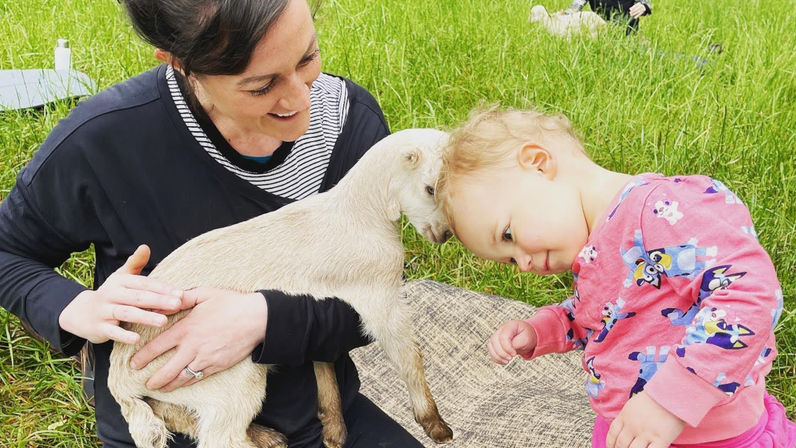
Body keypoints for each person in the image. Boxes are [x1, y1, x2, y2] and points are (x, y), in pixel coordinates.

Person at [0, 0, 425, 446]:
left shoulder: (352, 125)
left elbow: (377, 300)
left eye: (307, 57)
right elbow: (9, 251)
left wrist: (264, 320)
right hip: (173, 429)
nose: (302, 99)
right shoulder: (104, 140)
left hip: (317, 425)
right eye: (261, 86)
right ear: (181, 65)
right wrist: (72, 307)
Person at [436, 107, 796, 448]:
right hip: (629, 429)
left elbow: (748, 293)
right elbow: (608, 316)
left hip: (712, 435)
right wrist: (541, 330)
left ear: (538, 163)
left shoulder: (660, 209)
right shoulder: (596, 242)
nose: (524, 264)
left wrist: (670, 400)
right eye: (511, 262)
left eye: (509, 236)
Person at [563, 0, 651, 35]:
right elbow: (575, 8)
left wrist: (644, 6)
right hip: (600, 35)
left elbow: (646, 4)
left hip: (628, 35)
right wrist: (562, 16)